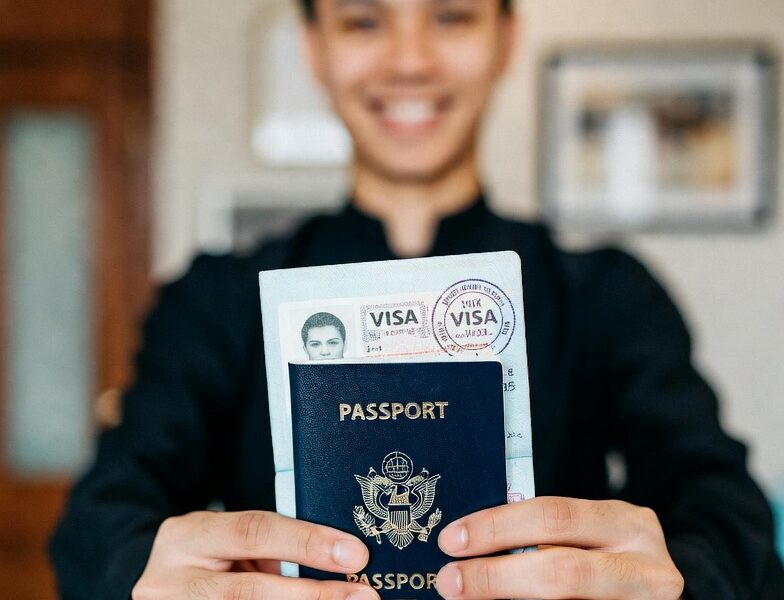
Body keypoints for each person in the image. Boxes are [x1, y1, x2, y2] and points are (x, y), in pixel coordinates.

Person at [52, 1, 784, 598]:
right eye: (364, 21)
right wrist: (142, 576)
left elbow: (729, 513)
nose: (409, 60)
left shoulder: (608, 295)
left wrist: (680, 583)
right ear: (314, 49)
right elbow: (96, 524)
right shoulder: (217, 300)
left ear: (506, 39)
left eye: (452, 16)